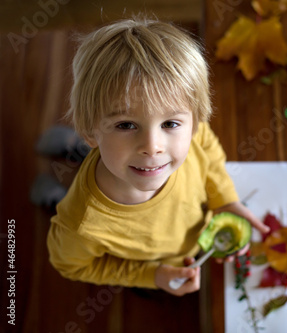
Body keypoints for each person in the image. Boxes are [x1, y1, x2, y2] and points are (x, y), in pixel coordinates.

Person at [47, 17, 269, 296]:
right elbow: (72, 266)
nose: (153, 147)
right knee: (70, 194)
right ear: (89, 130)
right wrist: (150, 275)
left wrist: (223, 200)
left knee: (115, 155)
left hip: (177, 249)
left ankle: (81, 146)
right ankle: (55, 195)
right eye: (126, 125)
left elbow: (209, 153)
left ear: (194, 120)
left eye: (170, 124)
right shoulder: (81, 226)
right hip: (150, 264)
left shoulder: (192, 131)